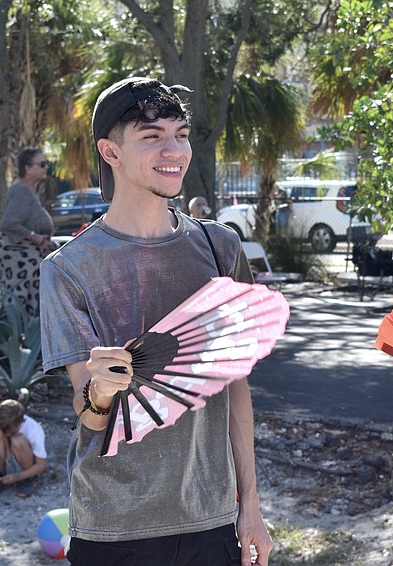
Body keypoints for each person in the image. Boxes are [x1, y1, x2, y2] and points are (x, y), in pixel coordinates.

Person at [39, 77, 272, 566]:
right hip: (113, 527)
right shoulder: (69, 269)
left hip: (210, 519)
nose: (174, 150)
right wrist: (100, 388)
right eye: (151, 136)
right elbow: (90, 414)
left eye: (180, 133)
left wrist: (249, 504)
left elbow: (236, 390)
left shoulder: (220, 247)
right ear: (110, 151)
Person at [0, 147, 55, 317]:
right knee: (16, 306)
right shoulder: (21, 191)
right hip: (19, 259)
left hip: (29, 261)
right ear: (28, 168)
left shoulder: (28, 191)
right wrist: (37, 238)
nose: (46, 168)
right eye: (42, 164)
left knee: (26, 306)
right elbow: (8, 223)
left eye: (47, 164)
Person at [0, 399, 46, 497]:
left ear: (22, 421)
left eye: (11, 430)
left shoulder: (33, 429)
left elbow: (41, 465)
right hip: (5, 462)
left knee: (17, 440)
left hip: (25, 466)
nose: (7, 434)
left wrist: (17, 477)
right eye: (4, 430)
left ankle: (29, 480)